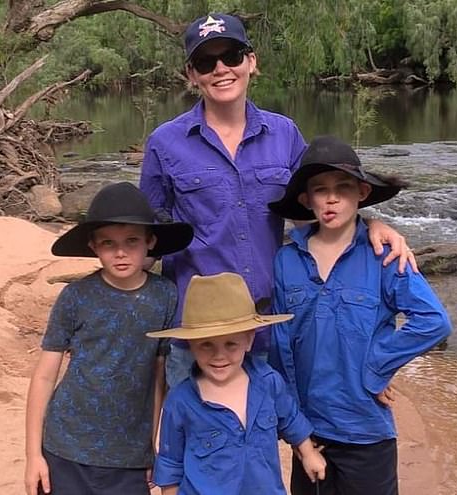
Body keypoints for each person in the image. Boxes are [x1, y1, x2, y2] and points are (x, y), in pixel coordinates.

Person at [139, 12, 417, 388]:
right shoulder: (164, 142)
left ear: (251, 62)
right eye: (206, 62)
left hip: (271, 324)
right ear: (192, 74)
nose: (221, 69)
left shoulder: (284, 134)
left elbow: (321, 202)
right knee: (197, 439)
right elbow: (148, 235)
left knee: (268, 434)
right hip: (197, 331)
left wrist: (370, 226)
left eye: (232, 57)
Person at [267, 135, 452, 495]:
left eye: (343, 187)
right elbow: (280, 344)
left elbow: (433, 321)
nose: (332, 197)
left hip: (365, 430)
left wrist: (376, 369)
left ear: (362, 193)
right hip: (309, 431)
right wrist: (291, 421)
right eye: (320, 190)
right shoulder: (286, 261)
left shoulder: (383, 255)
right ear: (307, 200)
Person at [24, 182, 193, 495]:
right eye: (108, 243)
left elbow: (158, 378)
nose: (120, 252)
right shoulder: (75, 296)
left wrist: (149, 445)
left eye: (131, 241)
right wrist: (33, 455)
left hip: (128, 456)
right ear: (93, 246)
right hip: (65, 446)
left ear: (150, 241)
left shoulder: (165, 296)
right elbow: (45, 376)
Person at [145, 272, 327, 494]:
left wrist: (308, 452)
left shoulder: (268, 382)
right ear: (191, 345)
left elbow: (290, 419)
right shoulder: (180, 401)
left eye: (231, 344)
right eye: (206, 345)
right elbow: (171, 462)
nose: (219, 355)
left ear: (249, 340)